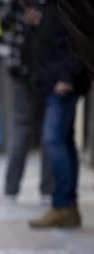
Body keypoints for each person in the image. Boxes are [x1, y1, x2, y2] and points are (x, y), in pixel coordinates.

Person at [27, 0, 90, 229]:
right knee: (64, 140)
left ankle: (63, 205)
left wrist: (67, 75)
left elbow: (80, 36)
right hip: (54, 79)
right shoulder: (51, 6)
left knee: (52, 140)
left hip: (63, 81)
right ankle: (68, 207)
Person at [0, 0, 53, 204]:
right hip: (33, 70)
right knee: (36, 131)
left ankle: (13, 190)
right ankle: (20, 190)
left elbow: (4, 22)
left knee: (38, 131)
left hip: (39, 70)